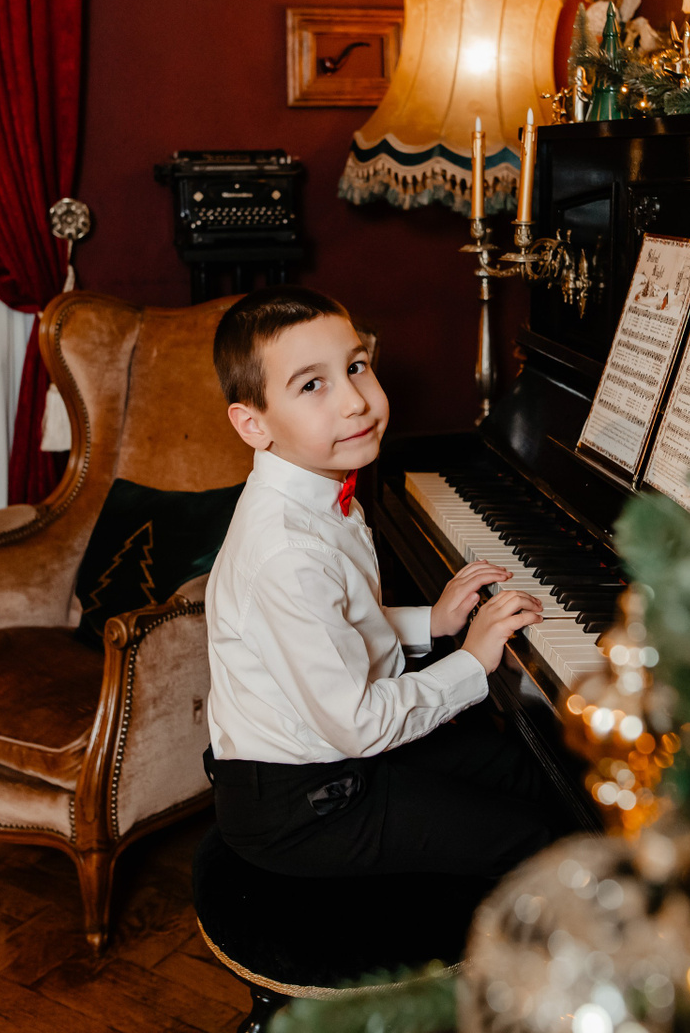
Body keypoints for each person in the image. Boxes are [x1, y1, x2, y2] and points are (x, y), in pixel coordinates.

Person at [203, 284, 571, 879]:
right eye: (312, 385)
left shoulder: (318, 488)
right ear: (253, 424)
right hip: (302, 804)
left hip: (340, 750)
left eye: (356, 367)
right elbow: (357, 723)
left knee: (519, 772)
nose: (355, 402)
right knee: (534, 839)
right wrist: (473, 660)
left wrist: (434, 622)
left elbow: (336, 625)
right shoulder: (286, 554)